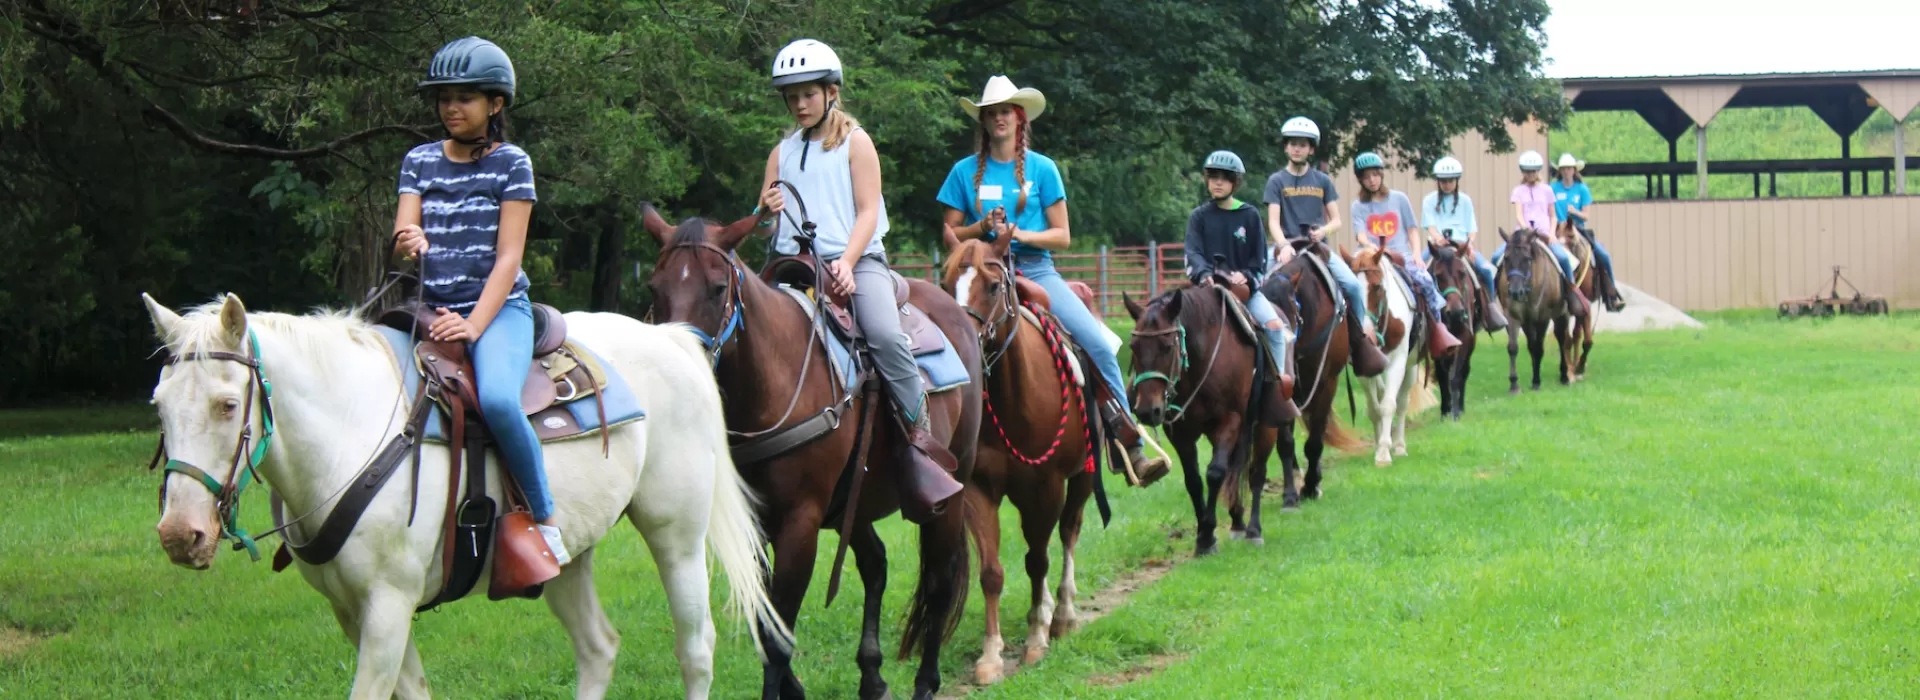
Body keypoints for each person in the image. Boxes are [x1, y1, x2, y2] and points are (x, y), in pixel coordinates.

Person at [756, 39, 961, 521]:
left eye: (808, 93)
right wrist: (764, 212)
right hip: (793, 266)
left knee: (885, 335)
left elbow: (868, 211)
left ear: (832, 92)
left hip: (856, 260)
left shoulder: (856, 142)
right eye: (792, 96)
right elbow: (766, 226)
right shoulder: (781, 153)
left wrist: (847, 262)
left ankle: (920, 444)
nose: (800, 104)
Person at [938, 75, 1171, 483]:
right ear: (984, 122)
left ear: (1020, 118)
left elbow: (1062, 236)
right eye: (991, 113)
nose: (998, 119)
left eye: (1006, 112)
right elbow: (949, 233)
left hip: (1035, 270)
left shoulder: (1043, 169)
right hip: (981, 274)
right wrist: (982, 228)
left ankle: (1128, 444)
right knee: (939, 345)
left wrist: (1020, 235)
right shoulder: (963, 172)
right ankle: (933, 446)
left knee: (1098, 344)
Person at [391, 37, 570, 563]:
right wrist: (408, 239)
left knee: (496, 400)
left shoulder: (512, 164)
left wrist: (472, 326)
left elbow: (509, 258)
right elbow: (403, 231)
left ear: (495, 104)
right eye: (444, 98)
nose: (451, 107)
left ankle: (545, 518)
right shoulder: (419, 160)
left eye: (465, 98)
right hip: (430, 305)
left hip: (498, 309)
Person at [1262, 116, 1388, 375]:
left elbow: (1337, 220)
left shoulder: (1322, 181)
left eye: (1303, 144)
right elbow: (1273, 221)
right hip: (1286, 247)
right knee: (1257, 284)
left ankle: (1358, 343)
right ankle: (1255, 343)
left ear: (1311, 149)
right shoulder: (1276, 181)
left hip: (1316, 248)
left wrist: (1323, 231)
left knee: (1353, 286)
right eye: (1293, 144)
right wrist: (1283, 245)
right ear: (1286, 147)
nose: (1297, 149)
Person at [1184, 150, 1294, 370]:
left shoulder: (1249, 215)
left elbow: (1259, 258)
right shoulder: (1198, 216)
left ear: (1235, 182)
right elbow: (1192, 253)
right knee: (1171, 330)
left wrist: (1246, 275)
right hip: (1206, 292)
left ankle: (1277, 380)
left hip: (1244, 292)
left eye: (1225, 178)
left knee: (1274, 326)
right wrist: (1204, 274)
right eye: (1213, 177)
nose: (1218, 182)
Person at [1348, 152, 1463, 357]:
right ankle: (1348, 336)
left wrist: (1417, 254)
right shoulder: (1358, 206)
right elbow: (1361, 236)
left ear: (1381, 175)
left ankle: (1438, 330)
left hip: (1400, 255)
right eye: (1366, 177)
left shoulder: (1399, 199)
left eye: (1375, 174)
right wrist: (1374, 248)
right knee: (1347, 285)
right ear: (1360, 180)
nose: (1372, 180)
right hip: (1371, 257)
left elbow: (1412, 230)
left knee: (1426, 282)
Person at [1493, 150, 1586, 318]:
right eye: (1527, 171)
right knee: (1495, 258)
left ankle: (1571, 292)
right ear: (1523, 172)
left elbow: (1553, 215)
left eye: (1534, 171)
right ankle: (1493, 297)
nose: (1531, 174)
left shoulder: (1547, 190)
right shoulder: (1518, 190)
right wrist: (1525, 228)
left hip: (1544, 233)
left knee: (1564, 259)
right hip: (1522, 235)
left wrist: (1551, 233)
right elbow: (1519, 214)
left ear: (1538, 171)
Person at [1420, 156, 1508, 330]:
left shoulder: (1465, 200)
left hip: (1461, 245)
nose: (1447, 184)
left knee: (1486, 271)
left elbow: (1471, 228)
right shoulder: (1428, 200)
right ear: (1438, 181)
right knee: (1417, 273)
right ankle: (1419, 315)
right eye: (1443, 181)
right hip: (1438, 246)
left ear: (1456, 180)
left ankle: (1490, 310)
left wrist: (1470, 245)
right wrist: (1438, 238)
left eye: (1450, 181)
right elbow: (1430, 226)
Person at [1553, 153, 1626, 311]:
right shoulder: (1553, 188)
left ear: (1574, 170)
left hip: (1577, 228)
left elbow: (1586, 216)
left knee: (1604, 256)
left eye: (1569, 168)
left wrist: (1574, 212)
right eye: (1563, 168)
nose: (1566, 171)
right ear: (1560, 171)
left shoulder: (1582, 189)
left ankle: (1611, 295)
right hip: (1555, 229)